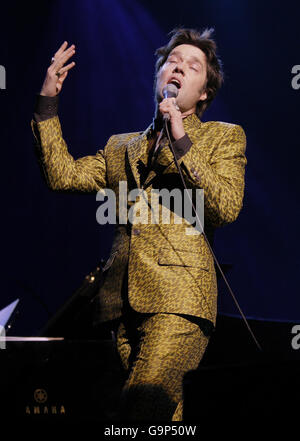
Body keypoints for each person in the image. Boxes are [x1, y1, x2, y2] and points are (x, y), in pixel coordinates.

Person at [31, 28, 247, 421]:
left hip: (181, 304)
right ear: (158, 76)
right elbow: (62, 175)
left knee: (138, 411)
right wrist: (48, 101)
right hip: (120, 310)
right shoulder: (121, 147)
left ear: (203, 93)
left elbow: (225, 207)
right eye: (172, 62)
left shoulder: (221, 138)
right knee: (163, 419)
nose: (178, 67)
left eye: (192, 66)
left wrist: (180, 138)